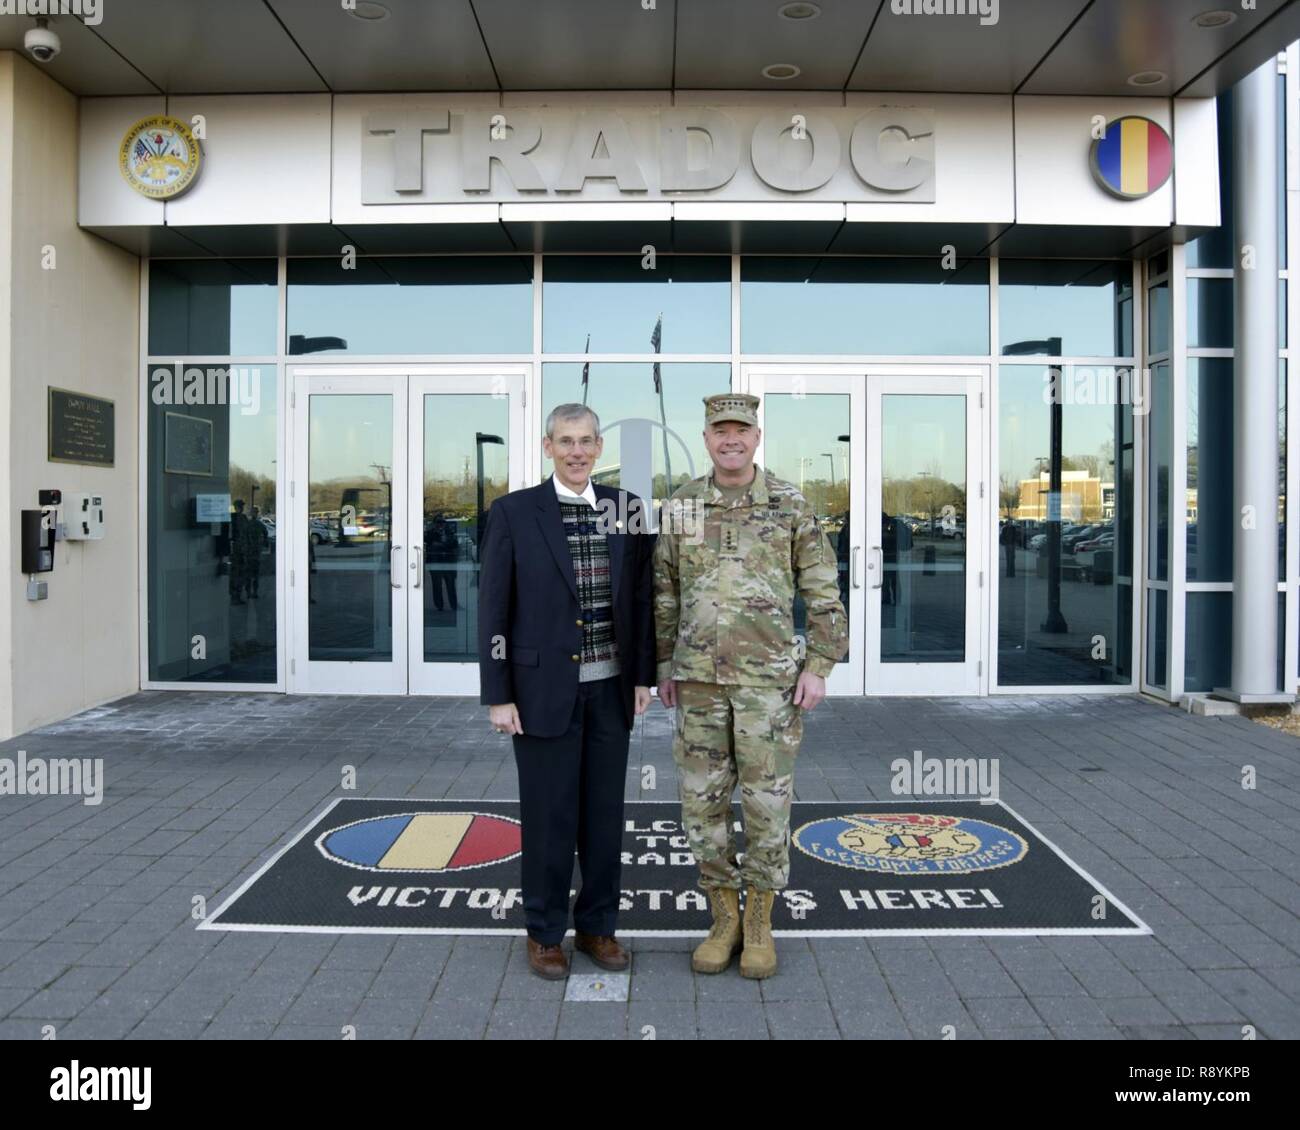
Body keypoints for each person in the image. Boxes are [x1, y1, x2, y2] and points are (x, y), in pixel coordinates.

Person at [654, 393, 848, 979]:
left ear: (756, 437)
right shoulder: (683, 504)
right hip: (698, 683)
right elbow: (662, 590)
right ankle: (723, 917)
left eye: (741, 430)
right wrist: (662, 664)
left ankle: (760, 919)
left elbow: (822, 591)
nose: (730, 440)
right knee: (702, 807)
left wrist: (819, 665)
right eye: (720, 431)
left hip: (770, 688)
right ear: (707, 437)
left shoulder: (790, 504)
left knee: (766, 807)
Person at [478, 403, 655, 980]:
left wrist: (643, 676)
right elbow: (493, 609)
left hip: (610, 691)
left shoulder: (625, 510)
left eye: (586, 441)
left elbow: (642, 603)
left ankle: (599, 928)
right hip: (538, 693)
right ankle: (545, 933)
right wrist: (498, 694)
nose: (576, 451)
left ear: (600, 447)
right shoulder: (512, 512)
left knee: (604, 817)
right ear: (547, 445)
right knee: (549, 817)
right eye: (565, 441)